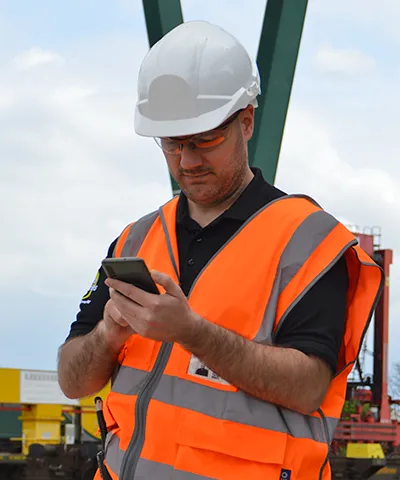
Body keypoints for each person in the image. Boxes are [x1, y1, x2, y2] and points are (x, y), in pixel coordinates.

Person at [57, 21, 383, 480]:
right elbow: (73, 380)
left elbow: (310, 386)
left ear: (246, 121)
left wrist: (191, 332)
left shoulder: (310, 242)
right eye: (172, 143)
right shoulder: (136, 239)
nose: (187, 161)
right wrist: (108, 334)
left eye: (205, 140)